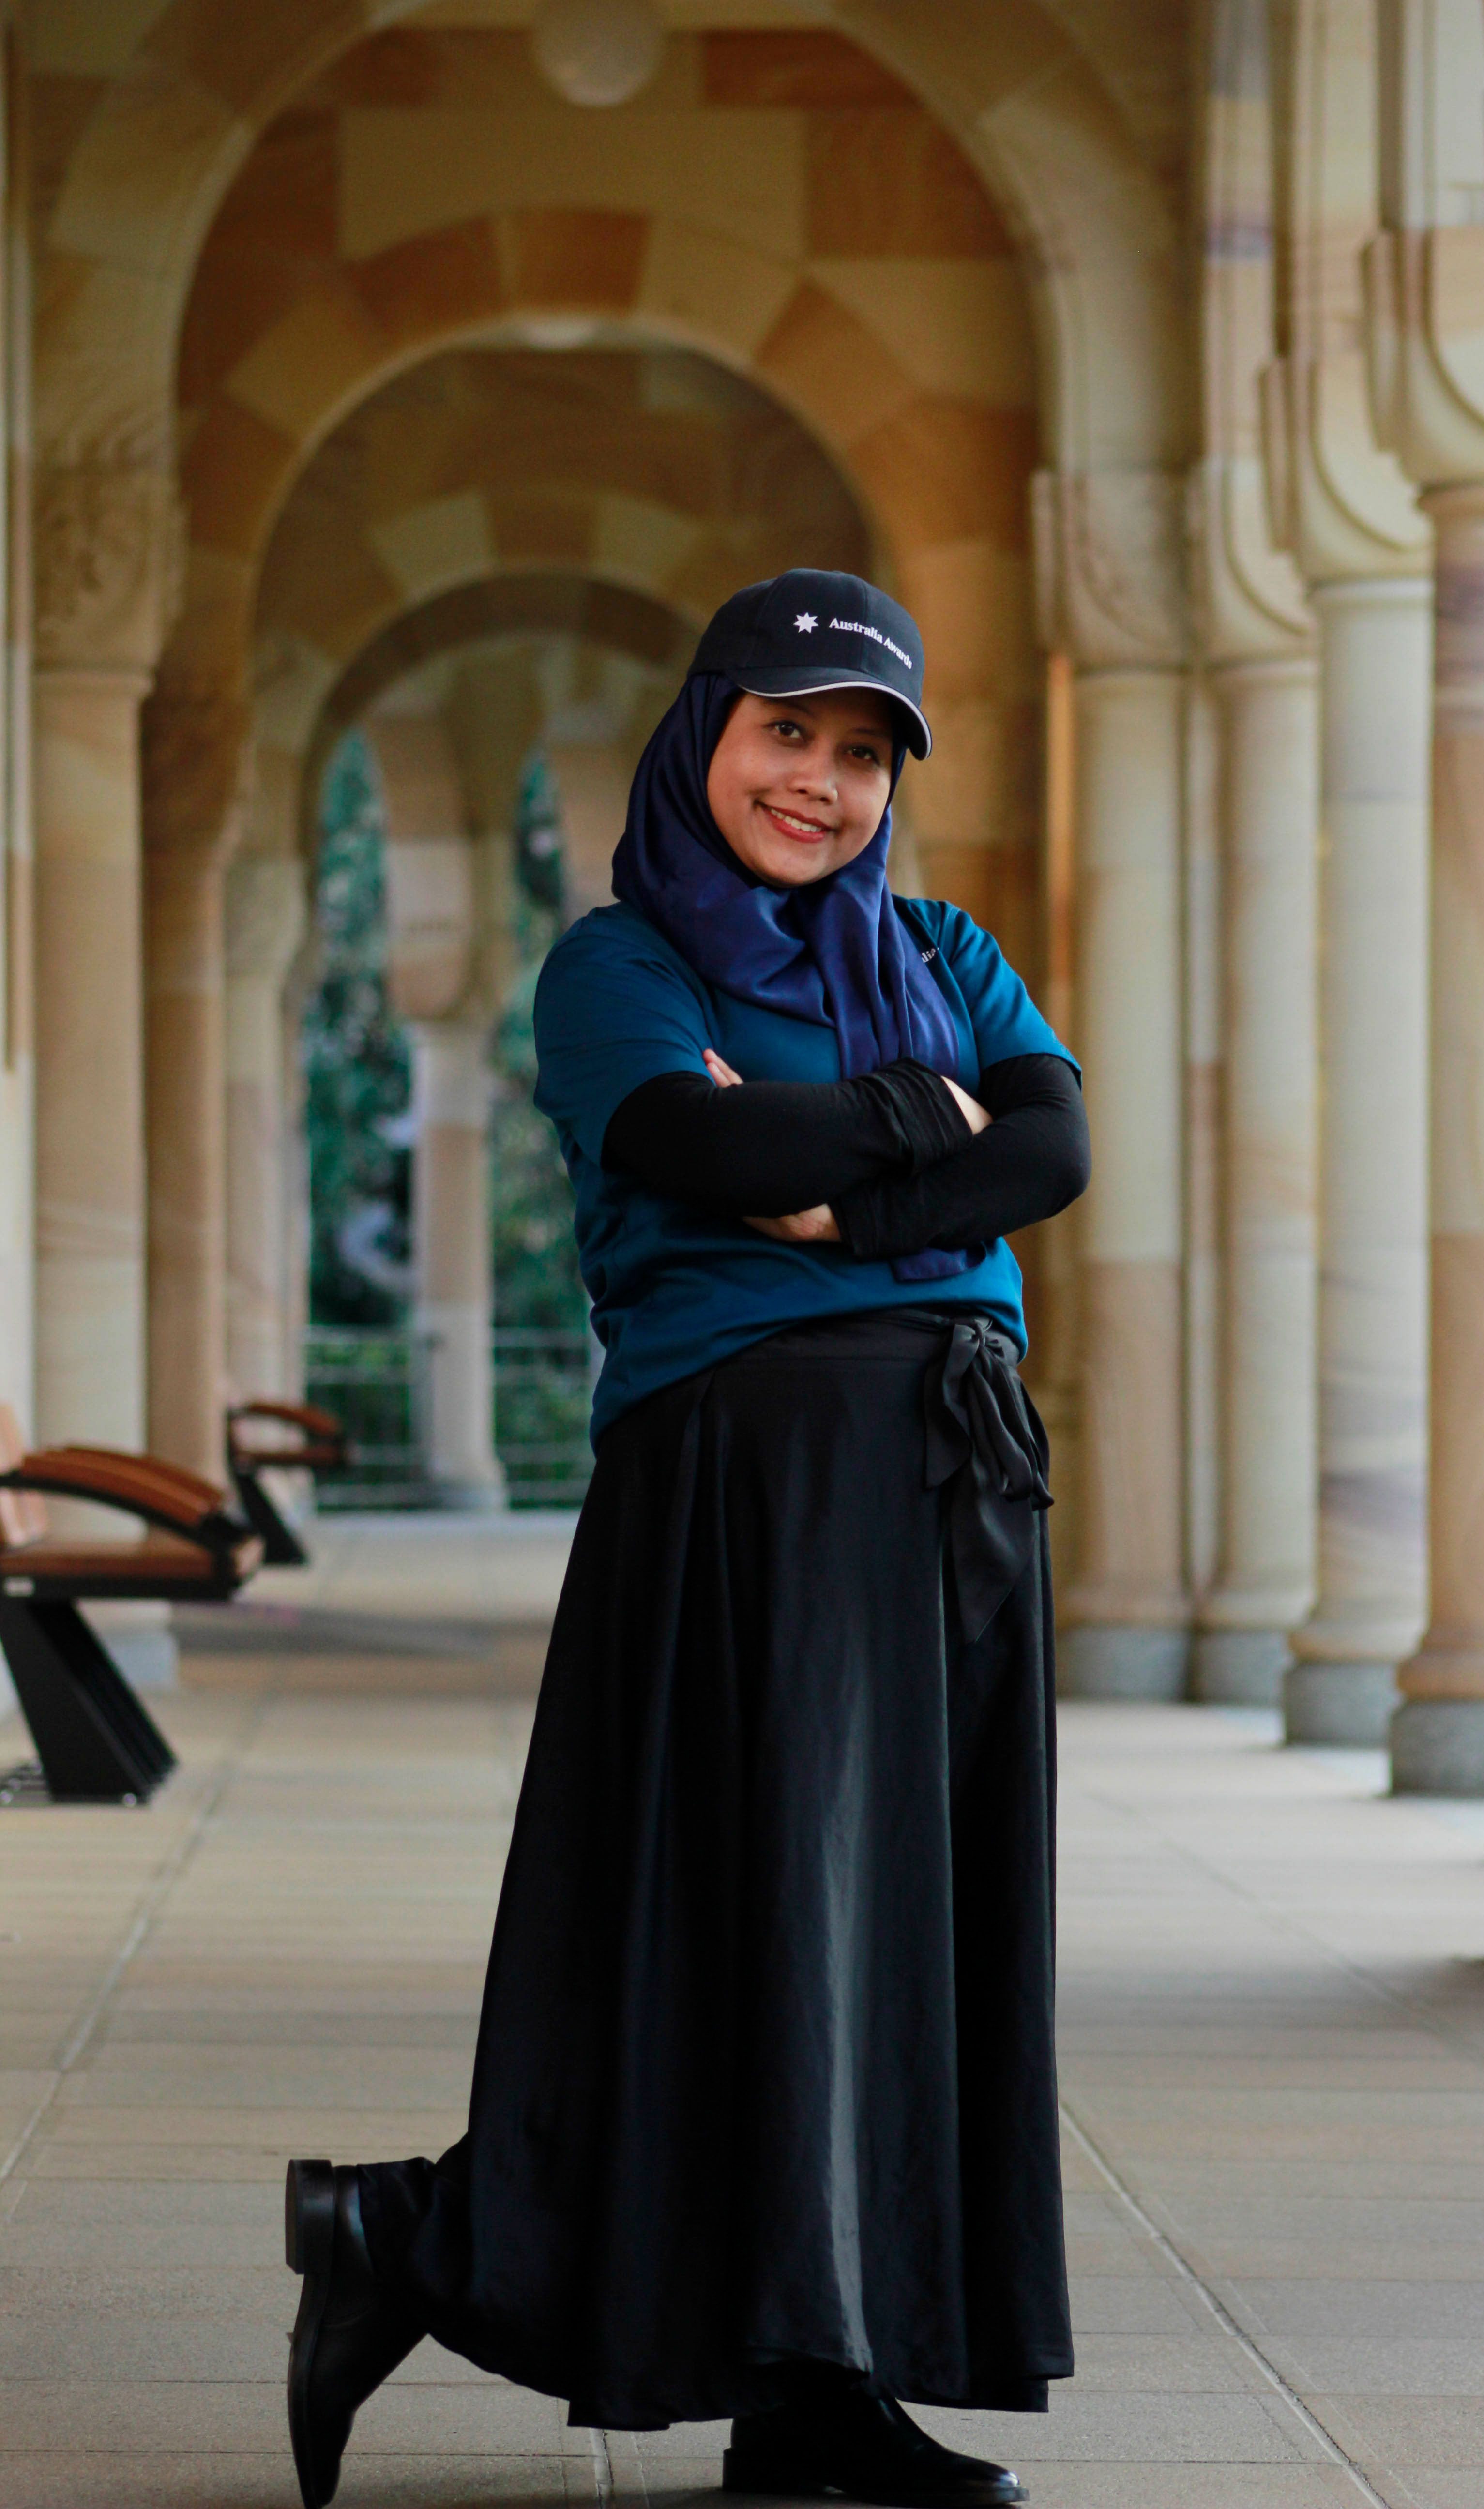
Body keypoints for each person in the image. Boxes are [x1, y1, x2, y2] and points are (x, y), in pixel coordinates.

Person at [284, 569, 1091, 2509]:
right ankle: (472, 2257)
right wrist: (927, 1141)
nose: (818, 782)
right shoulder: (619, 964)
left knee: (903, 1935)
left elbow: (1053, 1151)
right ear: (706, 730)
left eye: (861, 750)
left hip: (947, 1480)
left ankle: (815, 2373)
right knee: (760, 1927)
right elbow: (701, 1150)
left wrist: (848, 1159)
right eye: (785, 732)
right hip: (749, 1490)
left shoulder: (953, 944)